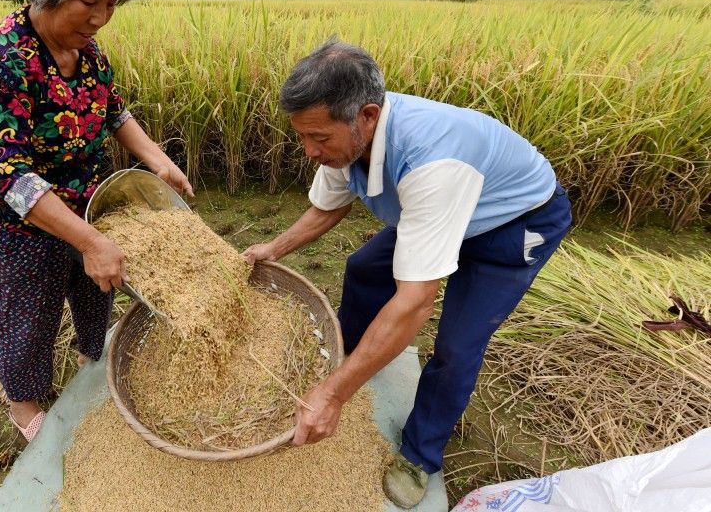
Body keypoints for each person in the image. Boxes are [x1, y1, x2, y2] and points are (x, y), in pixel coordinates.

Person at [242, 40, 571, 508]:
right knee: (362, 268)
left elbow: (414, 302)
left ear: (368, 116)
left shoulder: (431, 162)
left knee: (457, 346)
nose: (309, 150)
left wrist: (333, 397)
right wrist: (273, 249)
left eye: (319, 138)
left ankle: (420, 454)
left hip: (512, 224)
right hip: (441, 211)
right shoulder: (343, 140)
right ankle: (348, 357)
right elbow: (327, 207)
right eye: (303, 137)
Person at [0, 0, 192, 443]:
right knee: (28, 314)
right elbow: (6, 173)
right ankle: (24, 405)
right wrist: (88, 240)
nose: (101, 17)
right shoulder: (0, 58)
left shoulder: (87, 52)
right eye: (90, 0)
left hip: (90, 203)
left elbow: (113, 111)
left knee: (98, 291)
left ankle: (93, 359)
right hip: (22, 225)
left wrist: (156, 158)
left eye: (111, 3)